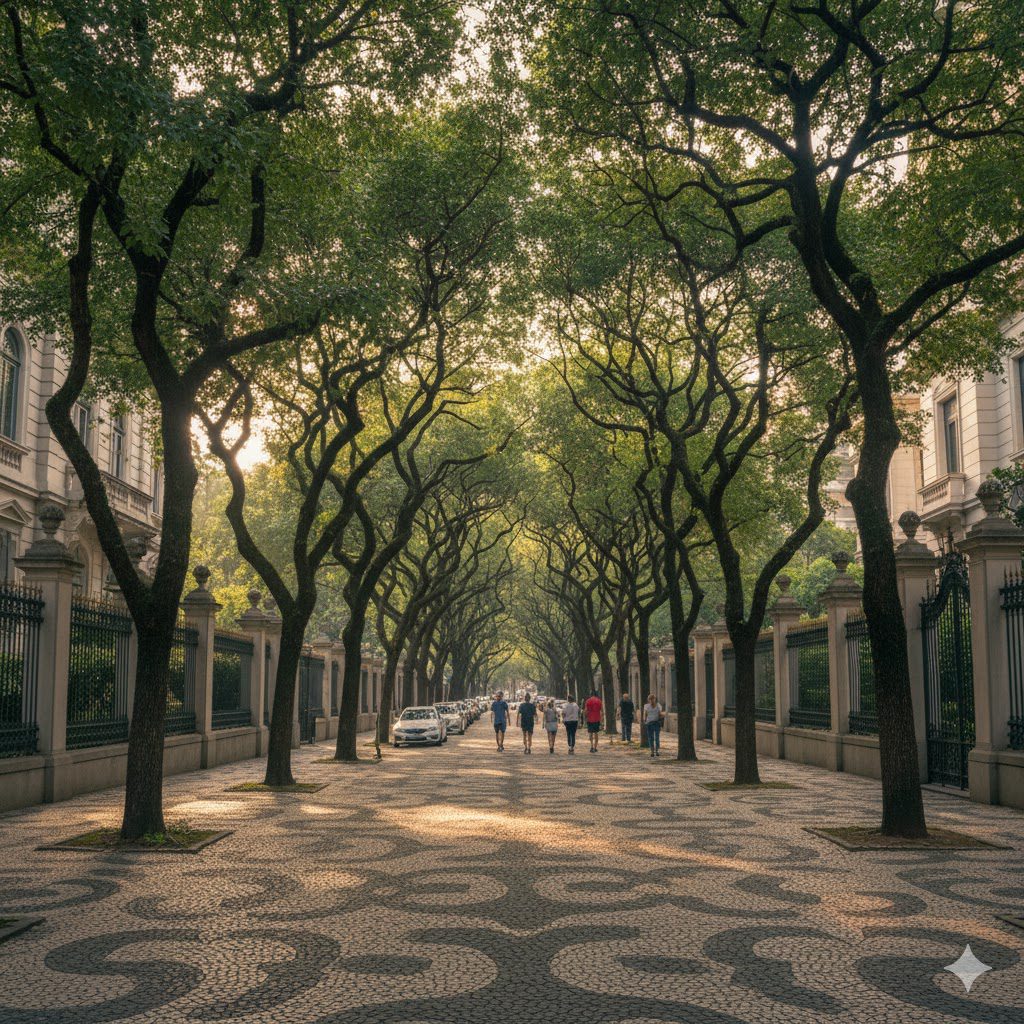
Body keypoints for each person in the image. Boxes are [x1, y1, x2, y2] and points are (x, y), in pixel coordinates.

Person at [644, 693, 663, 757]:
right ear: (648, 700)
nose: (651, 700)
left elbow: (660, 714)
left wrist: (662, 715)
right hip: (649, 723)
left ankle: (657, 750)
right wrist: (645, 720)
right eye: (650, 699)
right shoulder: (646, 706)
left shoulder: (658, 705)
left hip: (656, 723)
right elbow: (645, 714)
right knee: (650, 738)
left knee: (657, 737)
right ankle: (652, 751)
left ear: (655, 699)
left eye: (653, 699)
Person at [584, 689, 603, 753]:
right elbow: (601, 711)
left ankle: (591, 746)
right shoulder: (599, 701)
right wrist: (602, 720)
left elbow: (586, 710)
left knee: (590, 733)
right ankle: (595, 747)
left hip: (590, 719)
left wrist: (585, 717)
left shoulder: (588, 701)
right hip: (597, 718)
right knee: (596, 733)